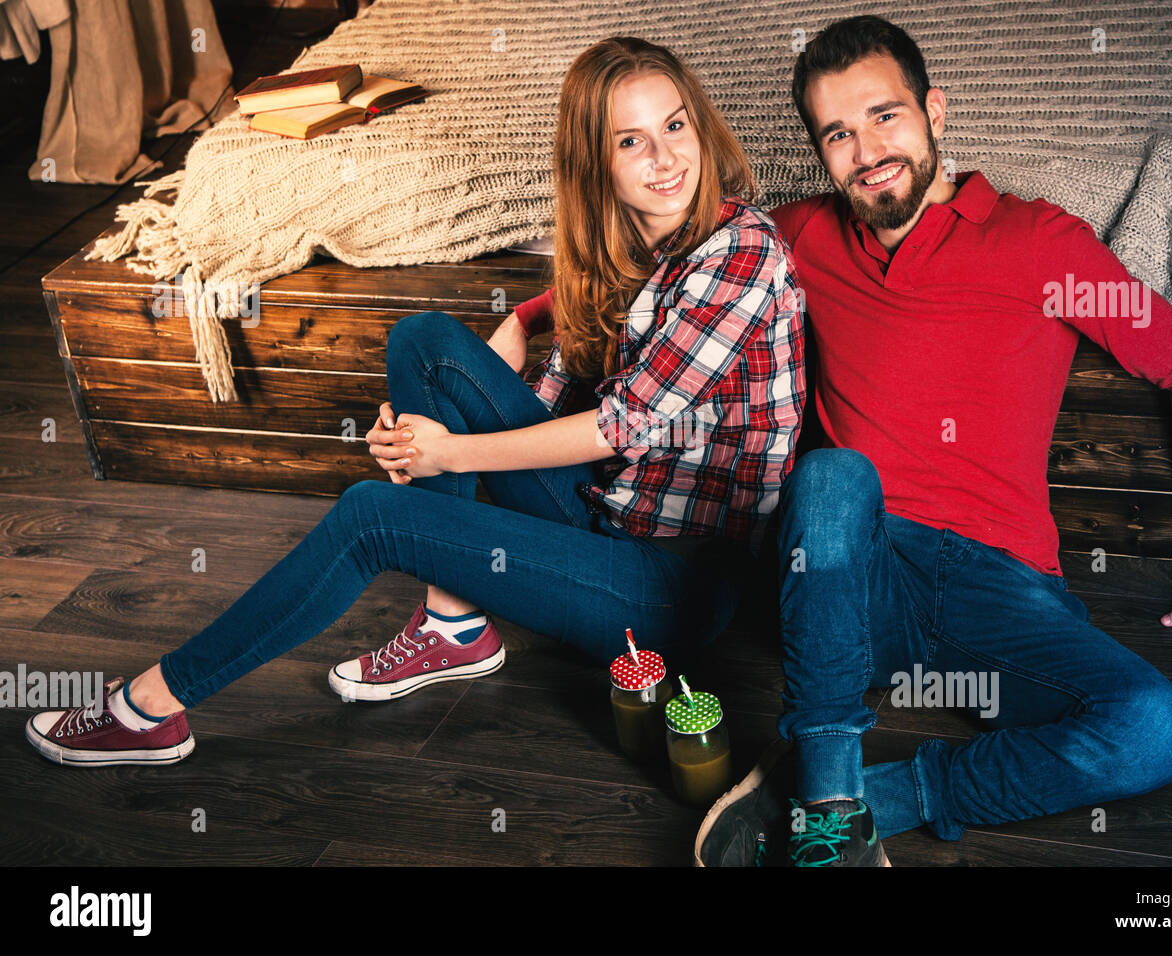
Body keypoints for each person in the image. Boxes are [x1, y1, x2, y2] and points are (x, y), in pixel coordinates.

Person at [25, 36, 805, 767]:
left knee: (372, 516)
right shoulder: (627, 245)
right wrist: (421, 432)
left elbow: (615, 424)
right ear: (595, 163)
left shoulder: (740, 252)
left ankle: (148, 710)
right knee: (424, 340)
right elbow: (560, 392)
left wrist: (448, 452)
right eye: (631, 140)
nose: (666, 157)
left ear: (701, 125)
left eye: (675, 126)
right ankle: (453, 623)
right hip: (607, 507)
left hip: (675, 582)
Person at [693, 14, 1172, 867]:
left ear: (935, 112)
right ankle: (830, 803)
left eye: (885, 116)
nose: (867, 149)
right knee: (833, 477)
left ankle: (841, 799)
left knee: (1156, 730)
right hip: (860, 577)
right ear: (821, 153)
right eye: (838, 133)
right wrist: (527, 316)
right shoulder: (801, 238)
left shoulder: (1041, 246)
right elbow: (681, 281)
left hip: (1003, 592)